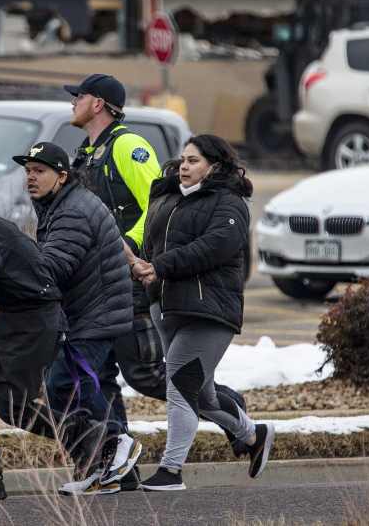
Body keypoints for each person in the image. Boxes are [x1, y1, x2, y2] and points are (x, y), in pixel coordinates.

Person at [65, 73, 251, 466]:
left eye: (77, 96)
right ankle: (115, 461)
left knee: (146, 373)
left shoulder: (127, 145)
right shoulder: (86, 151)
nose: (72, 103)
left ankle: (228, 408)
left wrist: (133, 249)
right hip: (97, 281)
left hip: (129, 277)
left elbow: (157, 205)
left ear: (97, 103)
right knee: (98, 372)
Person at [0, 174, 137, 496]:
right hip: (13, 318)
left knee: (12, 408)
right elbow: (6, 277)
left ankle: (101, 438)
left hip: (36, 324)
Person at [134, 135, 275, 490]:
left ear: (215, 165)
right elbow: (151, 242)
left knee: (180, 386)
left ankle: (171, 470)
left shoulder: (230, 203)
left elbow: (213, 248)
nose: (184, 166)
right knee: (203, 395)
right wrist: (145, 270)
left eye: (194, 160)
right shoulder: (166, 197)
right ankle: (252, 434)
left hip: (208, 311)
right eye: (183, 159)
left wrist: (160, 266)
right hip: (165, 306)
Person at [14, 142, 141, 495]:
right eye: (27, 171)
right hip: (90, 311)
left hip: (95, 313)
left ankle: (117, 442)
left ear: (62, 176)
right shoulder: (60, 204)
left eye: (39, 171)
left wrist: (7, 278)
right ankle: (105, 469)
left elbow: (54, 265)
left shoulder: (72, 211)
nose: (30, 178)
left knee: (66, 383)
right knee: (89, 382)